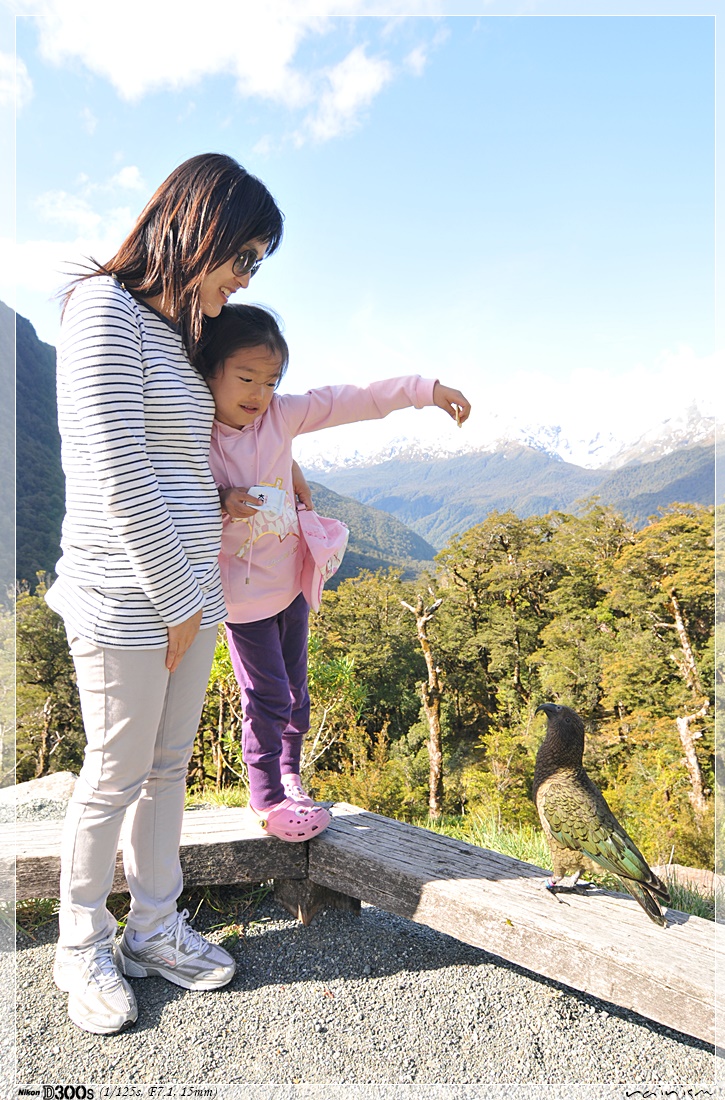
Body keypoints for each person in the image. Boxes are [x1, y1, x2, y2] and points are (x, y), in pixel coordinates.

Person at [45, 153, 286, 1035]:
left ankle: (152, 928)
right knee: (112, 774)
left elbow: (174, 464)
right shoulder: (102, 310)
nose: (245, 277)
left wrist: (215, 514)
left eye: (256, 263)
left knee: (166, 768)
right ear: (198, 227)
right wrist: (179, 600)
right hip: (126, 597)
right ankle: (80, 943)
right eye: (243, 255)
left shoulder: (177, 331)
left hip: (191, 595)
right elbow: (114, 469)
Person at [199, 303, 471, 843]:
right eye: (246, 378)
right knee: (267, 696)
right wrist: (224, 499)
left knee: (295, 692)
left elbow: (355, 399)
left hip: (291, 582)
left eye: (271, 382)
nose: (259, 394)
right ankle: (266, 798)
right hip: (242, 597)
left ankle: (290, 775)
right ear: (211, 372)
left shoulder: (280, 416)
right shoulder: (191, 432)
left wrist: (426, 389)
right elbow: (173, 494)